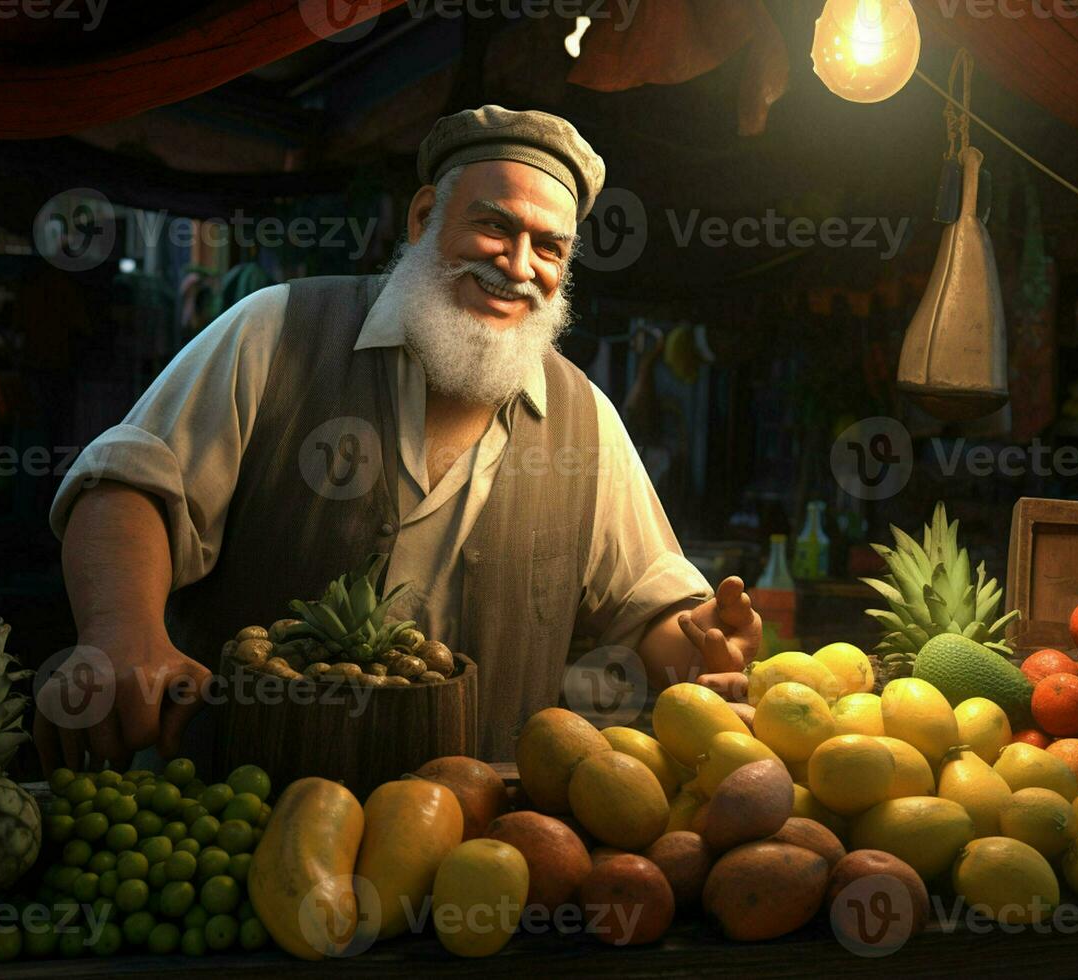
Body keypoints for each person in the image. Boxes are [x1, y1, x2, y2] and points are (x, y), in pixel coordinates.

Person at [37, 105, 759, 766]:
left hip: (480, 852)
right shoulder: (277, 330)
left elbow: (649, 608)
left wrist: (702, 654)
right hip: (240, 817)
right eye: (496, 226)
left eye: (549, 247)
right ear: (422, 218)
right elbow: (131, 484)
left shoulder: (585, 419)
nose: (517, 266)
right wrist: (122, 630)